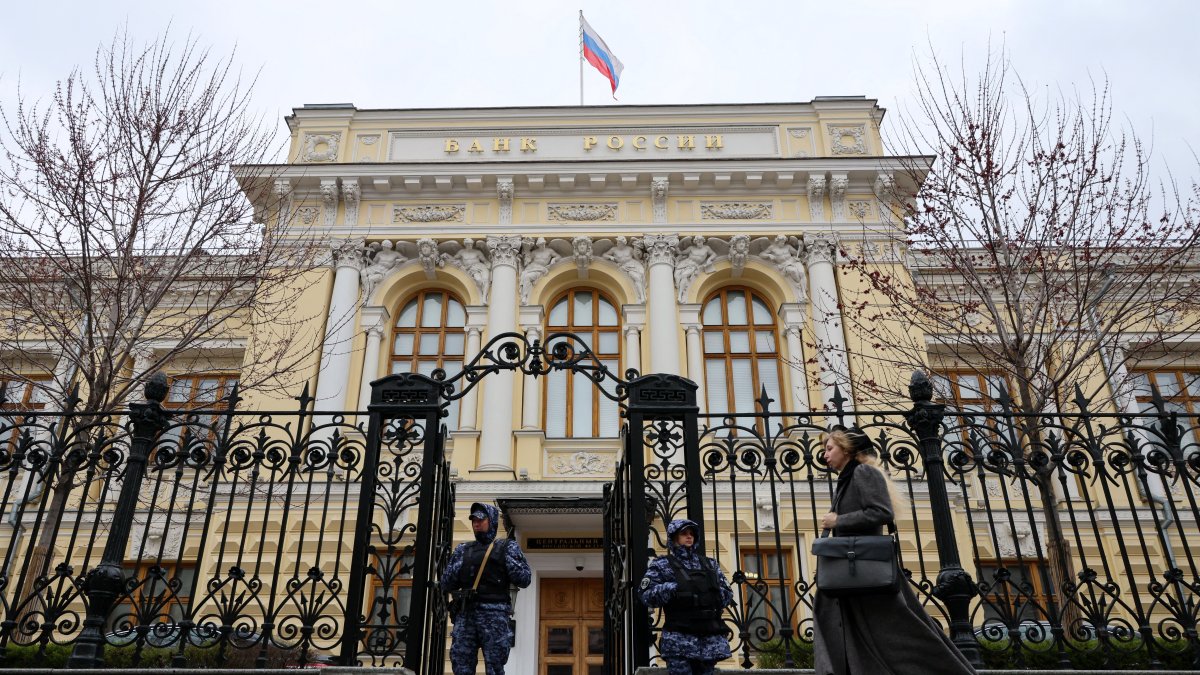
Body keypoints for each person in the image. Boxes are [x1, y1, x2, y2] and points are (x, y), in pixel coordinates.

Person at [813, 427, 976, 675]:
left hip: (867, 567)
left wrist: (838, 521)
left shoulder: (863, 472)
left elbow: (881, 512)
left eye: (829, 448)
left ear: (846, 449)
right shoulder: (848, 477)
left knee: (901, 632)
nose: (824, 455)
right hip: (855, 569)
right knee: (874, 630)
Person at [440, 502, 531, 675]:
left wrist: (506, 561)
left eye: (481, 519)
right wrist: (462, 565)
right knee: (460, 664)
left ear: (492, 521)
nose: (476, 523)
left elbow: (524, 579)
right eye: (473, 519)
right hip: (466, 615)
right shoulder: (462, 550)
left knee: (495, 668)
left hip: (494, 617)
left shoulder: (507, 547)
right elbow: (446, 583)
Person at [638, 518, 733, 675]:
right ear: (674, 537)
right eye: (684, 533)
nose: (689, 536)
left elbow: (727, 594)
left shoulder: (710, 564)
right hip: (679, 641)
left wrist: (711, 593)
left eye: (691, 533)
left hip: (710, 641)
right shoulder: (662, 564)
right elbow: (646, 595)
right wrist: (673, 588)